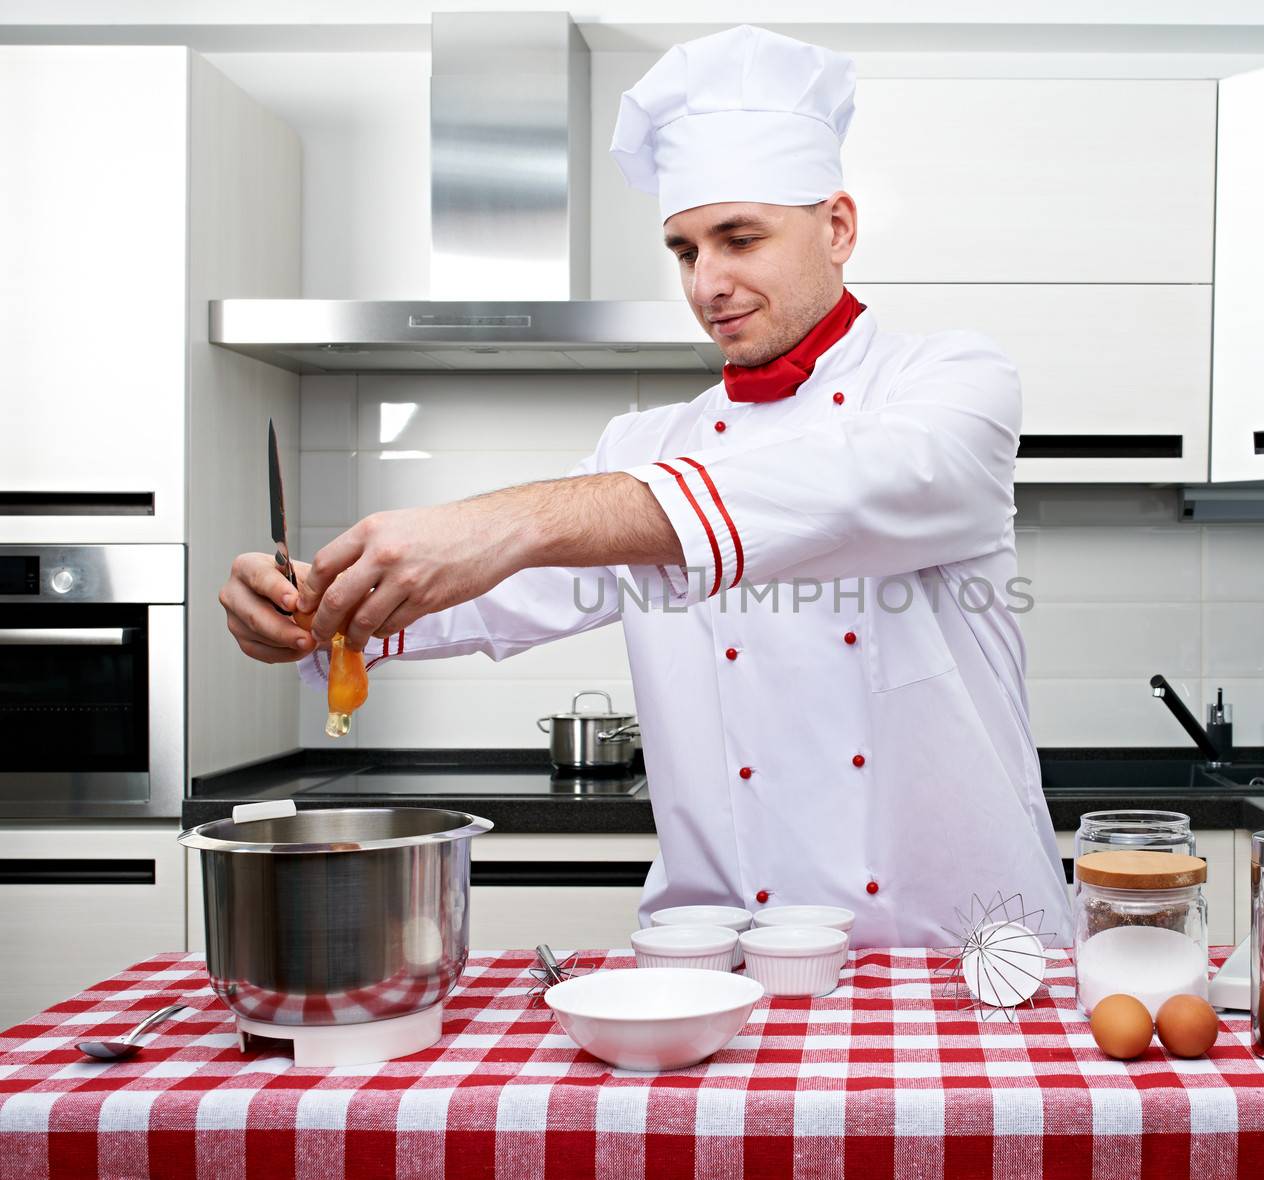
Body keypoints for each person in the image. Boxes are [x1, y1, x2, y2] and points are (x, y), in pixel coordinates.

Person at [219, 25, 1070, 947]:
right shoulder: (650, 444)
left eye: (740, 238)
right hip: (725, 957)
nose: (709, 282)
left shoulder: (953, 383)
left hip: (961, 952)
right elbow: (492, 587)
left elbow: (860, 482)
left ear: (837, 226)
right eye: (685, 251)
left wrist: (515, 519)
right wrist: (313, 606)